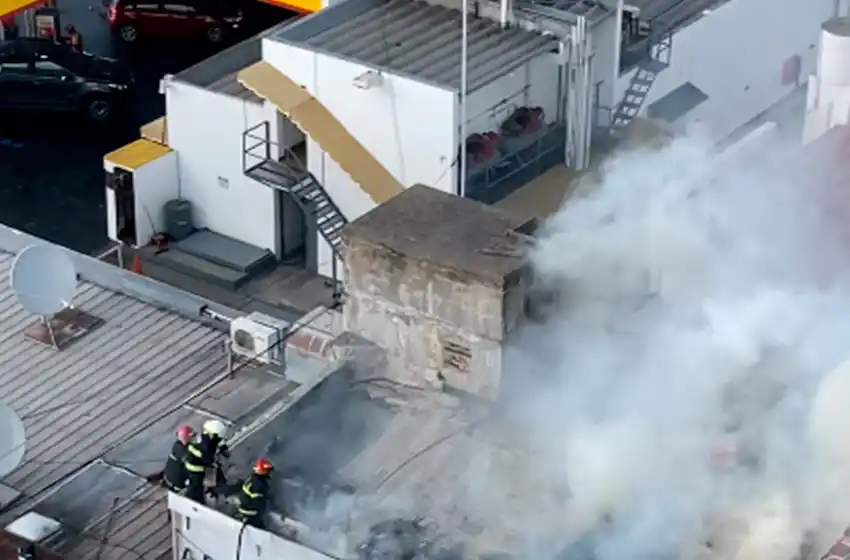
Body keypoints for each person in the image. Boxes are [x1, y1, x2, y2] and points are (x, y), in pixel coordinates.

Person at [183, 419, 229, 503]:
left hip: (205, 463)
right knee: (196, 487)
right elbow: (209, 459)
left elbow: (218, 441)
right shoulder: (205, 447)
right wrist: (215, 460)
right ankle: (190, 501)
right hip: (195, 469)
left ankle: (214, 491)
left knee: (216, 476)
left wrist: (223, 447)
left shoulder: (207, 435)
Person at [237, 457, 274, 529]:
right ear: (263, 471)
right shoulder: (260, 484)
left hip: (243, 508)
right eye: (267, 471)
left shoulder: (252, 477)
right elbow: (259, 501)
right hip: (251, 513)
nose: (269, 473)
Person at [161, 424, 194, 491]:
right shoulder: (181, 450)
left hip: (172, 478)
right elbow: (190, 460)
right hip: (177, 483)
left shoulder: (178, 446)